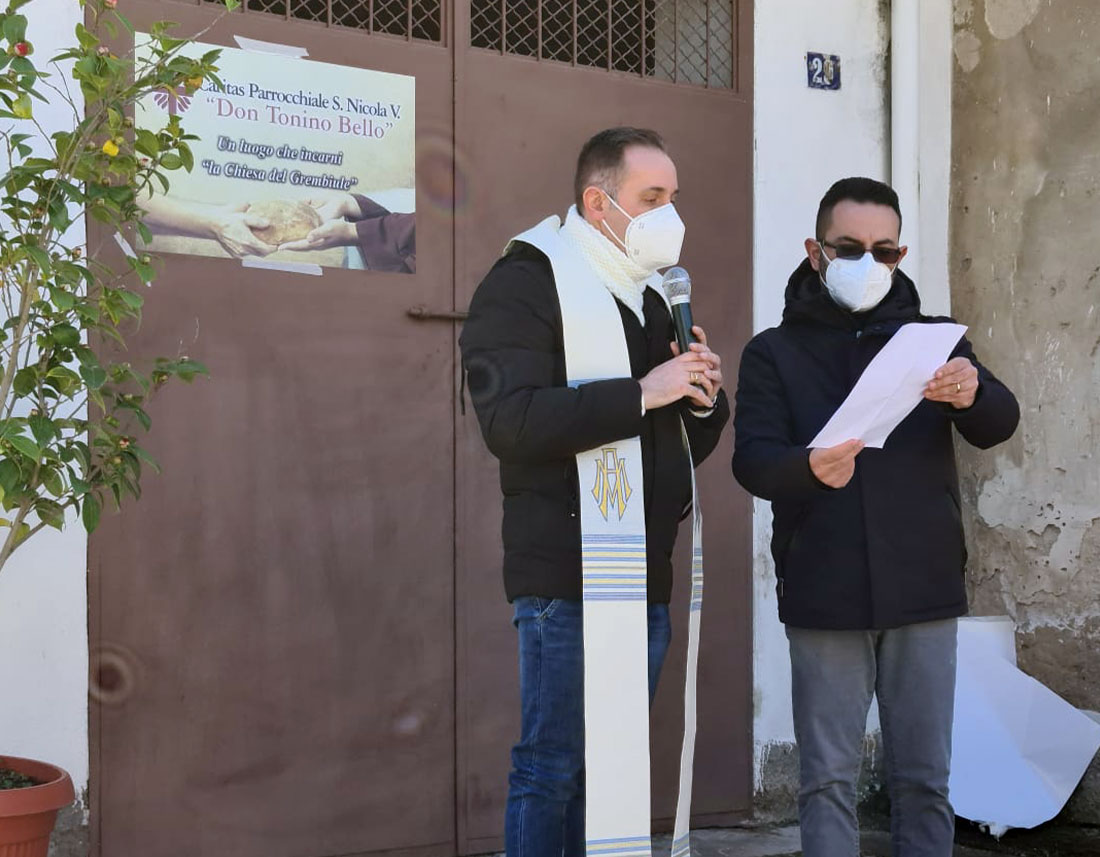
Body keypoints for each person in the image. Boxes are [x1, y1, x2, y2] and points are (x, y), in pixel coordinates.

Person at [460, 127, 729, 857]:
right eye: (653, 197)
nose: (670, 216)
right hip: (564, 572)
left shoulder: (653, 297)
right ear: (598, 201)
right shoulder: (526, 282)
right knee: (553, 766)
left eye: (673, 197)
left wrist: (703, 400)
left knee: (613, 765)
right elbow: (510, 422)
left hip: (644, 572)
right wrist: (643, 392)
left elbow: (673, 447)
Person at [731, 177, 1020, 857]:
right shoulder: (774, 352)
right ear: (815, 252)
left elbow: (998, 424)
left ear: (900, 255)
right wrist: (808, 469)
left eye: (884, 250)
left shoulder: (934, 340)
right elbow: (753, 461)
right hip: (824, 584)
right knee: (826, 779)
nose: (868, 262)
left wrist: (972, 392)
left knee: (924, 778)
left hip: (923, 585)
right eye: (849, 247)